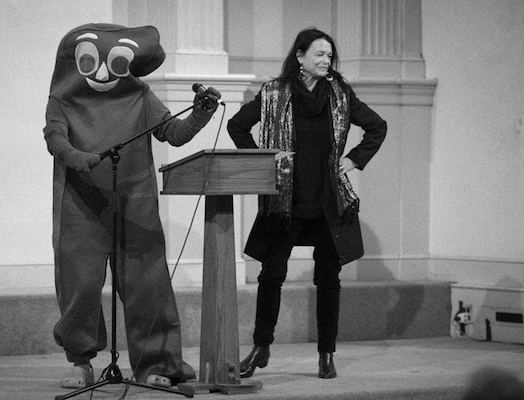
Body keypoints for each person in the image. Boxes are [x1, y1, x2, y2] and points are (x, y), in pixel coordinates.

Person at [42, 23, 218, 389]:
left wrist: (201, 114)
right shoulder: (63, 100)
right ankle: (81, 362)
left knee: (147, 284)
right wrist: (76, 157)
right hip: (80, 204)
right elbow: (54, 137)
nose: (104, 72)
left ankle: (155, 363)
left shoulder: (140, 97)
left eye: (116, 63)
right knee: (81, 286)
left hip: (135, 201)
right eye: (91, 62)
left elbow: (173, 133)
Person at [227, 27, 386, 379]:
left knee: (328, 279)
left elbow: (377, 126)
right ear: (299, 56)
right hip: (286, 200)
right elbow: (237, 126)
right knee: (272, 275)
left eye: (329, 55)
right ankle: (261, 347)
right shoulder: (273, 93)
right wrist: (263, 158)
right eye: (319, 54)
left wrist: (354, 159)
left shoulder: (340, 95)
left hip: (329, 201)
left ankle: (326, 353)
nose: (326, 60)